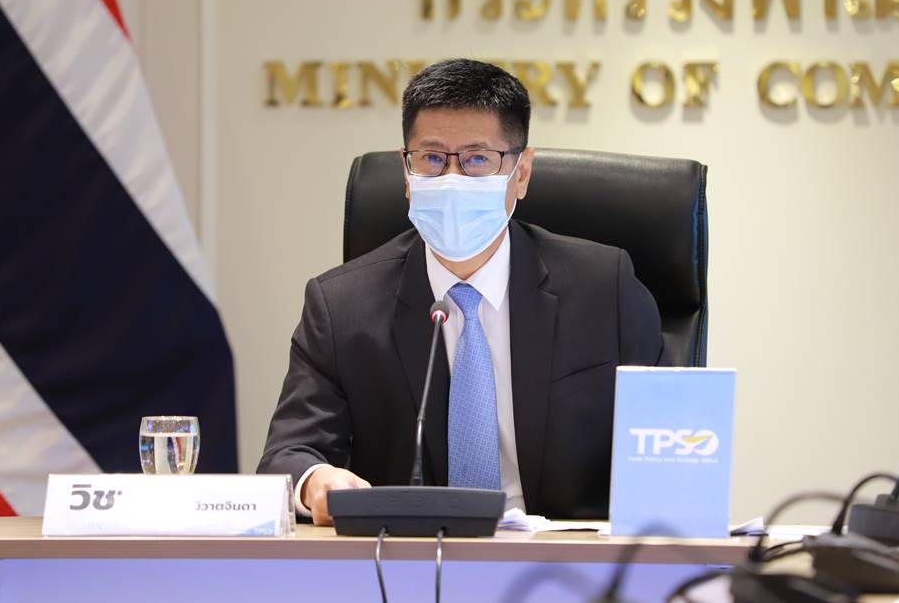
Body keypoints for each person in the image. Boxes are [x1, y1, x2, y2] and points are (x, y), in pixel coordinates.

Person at [258, 58, 668, 524]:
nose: (452, 179)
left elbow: (669, 438)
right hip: (407, 556)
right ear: (406, 172)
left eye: (477, 159)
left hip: (566, 556)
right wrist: (317, 481)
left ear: (521, 172)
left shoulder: (605, 290)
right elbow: (288, 454)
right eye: (432, 159)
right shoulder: (340, 307)